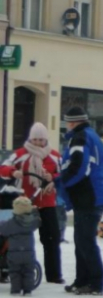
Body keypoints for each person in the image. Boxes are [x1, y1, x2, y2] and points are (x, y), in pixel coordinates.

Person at [0, 122, 64, 284]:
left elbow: (63, 174)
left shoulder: (55, 156)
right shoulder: (20, 154)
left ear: (46, 140)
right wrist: (14, 172)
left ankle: (54, 274)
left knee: (52, 238)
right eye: (35, 140)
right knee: (15, 237)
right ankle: (7, 269)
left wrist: (53, 178)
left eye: (41, 140)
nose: (38, 143)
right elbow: (3, 168)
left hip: (47, 202)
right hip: (24, 203)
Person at [58, 106, 103, 295]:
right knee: (81, 240)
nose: (67, 126)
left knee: (85, 241)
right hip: (93, 194)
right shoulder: (91, 135)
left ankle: (95, 282)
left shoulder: (80, 137)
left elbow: (79, 167)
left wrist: (61, 181)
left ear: (72, 122)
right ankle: (82, 280)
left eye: (68, 122)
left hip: (89, 195)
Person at [0, 197, 41, 296]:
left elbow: (3, 230)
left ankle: (15, 290)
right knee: (28, 272)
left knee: (14, 272)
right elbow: (38, 221)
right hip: (29, 253)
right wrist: (35, 212)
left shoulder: (11, 223)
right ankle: (27, 290)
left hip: (14, 253)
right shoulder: (32, 222)